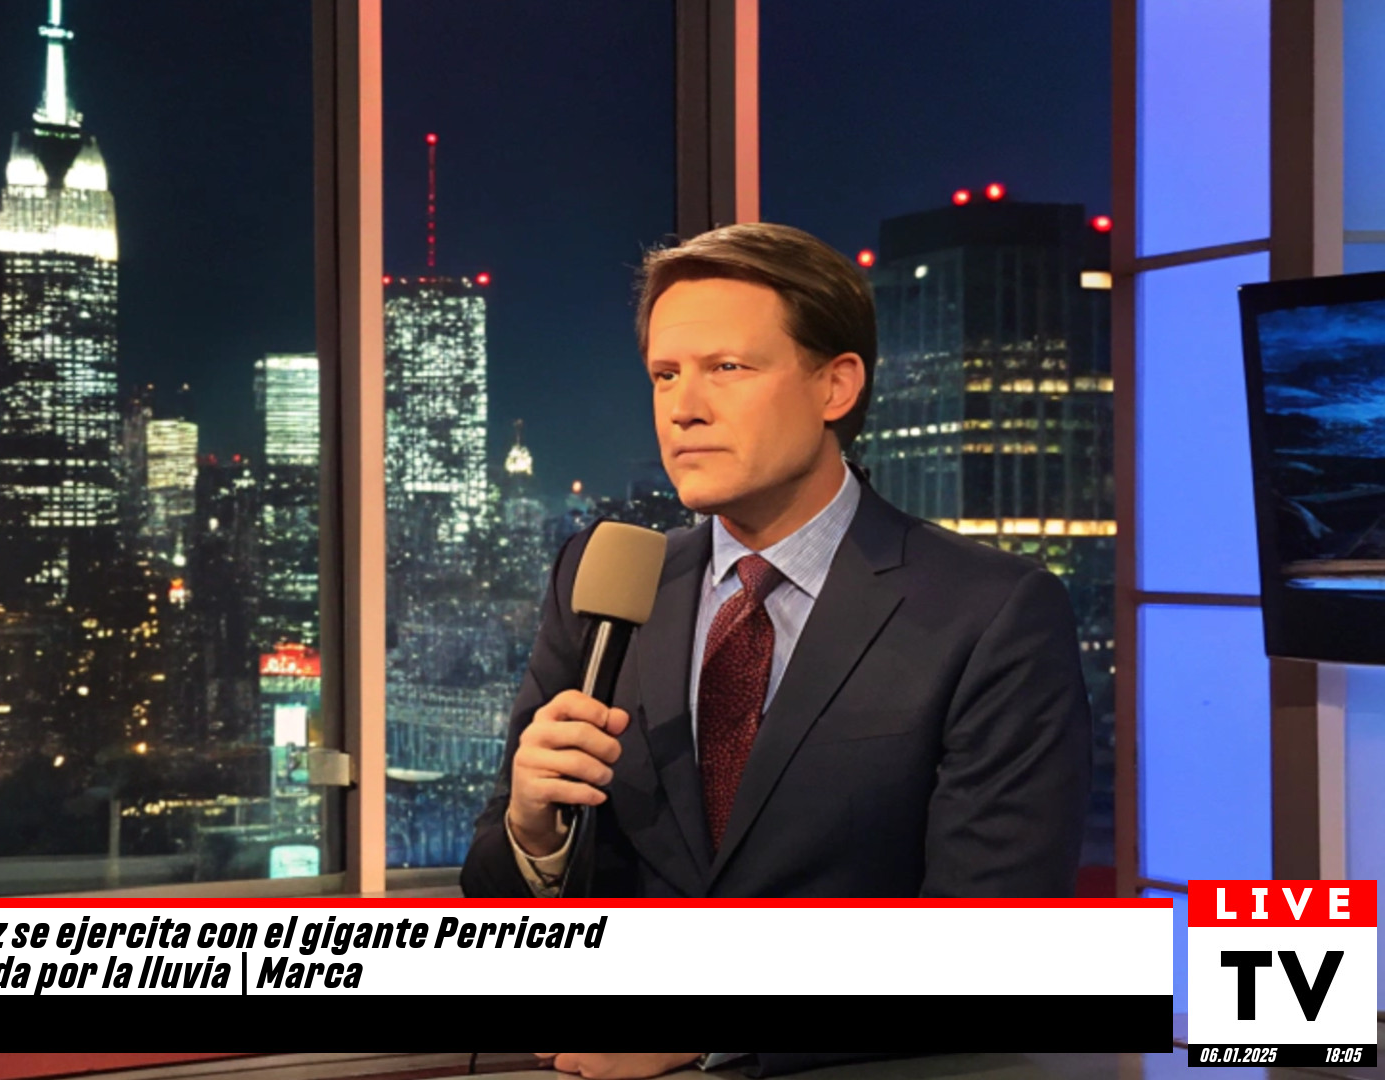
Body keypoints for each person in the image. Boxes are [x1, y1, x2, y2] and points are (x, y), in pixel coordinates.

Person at [461, 222, 1092, 902]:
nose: (683, 409)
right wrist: (534, 832)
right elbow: (496, 899)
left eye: (727, 369)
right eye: (665, 375)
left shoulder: (990, 612)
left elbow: (993, 939)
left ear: (836, 387)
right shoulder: (609, 579)